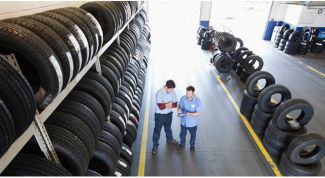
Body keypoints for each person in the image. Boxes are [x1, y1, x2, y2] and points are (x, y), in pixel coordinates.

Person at [152, 80, 179, 155]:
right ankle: (155, 145)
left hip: (169, 114)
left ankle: (170, 139)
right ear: (166, 87)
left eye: (173, 89)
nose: (172, 90)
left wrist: (166, 104)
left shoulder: (172, 91)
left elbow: (175, 104)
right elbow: (161, 106)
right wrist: (169, 104)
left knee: (168, 128)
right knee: (157, 130)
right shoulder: (159, 93)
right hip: (160, 115)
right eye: (171, 89)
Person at [177, 86, 202, 152]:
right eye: (187, 93)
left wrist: (190, 114)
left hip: (192, 123)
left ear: (193, 93)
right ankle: (182, 144)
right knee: (182, 134)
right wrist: (179, 109)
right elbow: (179, 106)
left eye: (189, 93)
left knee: (193, 135)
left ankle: (192, 145)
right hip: (184, 121)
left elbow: (198, 113)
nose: (188, 95)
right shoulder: (183, 98)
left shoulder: (198, 101)